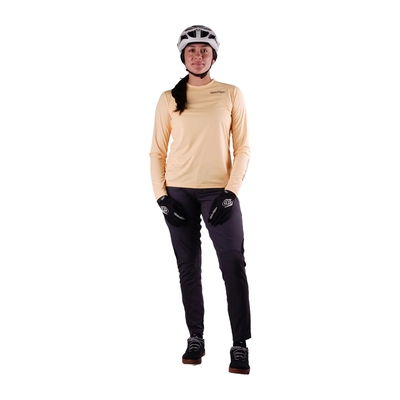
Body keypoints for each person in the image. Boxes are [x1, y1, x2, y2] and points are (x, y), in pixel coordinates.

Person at [149, 25, 251, 375]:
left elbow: (243, 148)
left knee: (233, 264)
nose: (198, 55)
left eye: (204, 50)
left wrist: (231, 193)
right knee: (188, 267)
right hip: (179, 193)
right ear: (183, 56)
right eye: (191, 50)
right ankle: (196, 337)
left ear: (213, 57)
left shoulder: (230, 93)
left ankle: (240, 344)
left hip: (220, 193)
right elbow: (157, 152)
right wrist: (162, 198)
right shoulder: (168, 98)